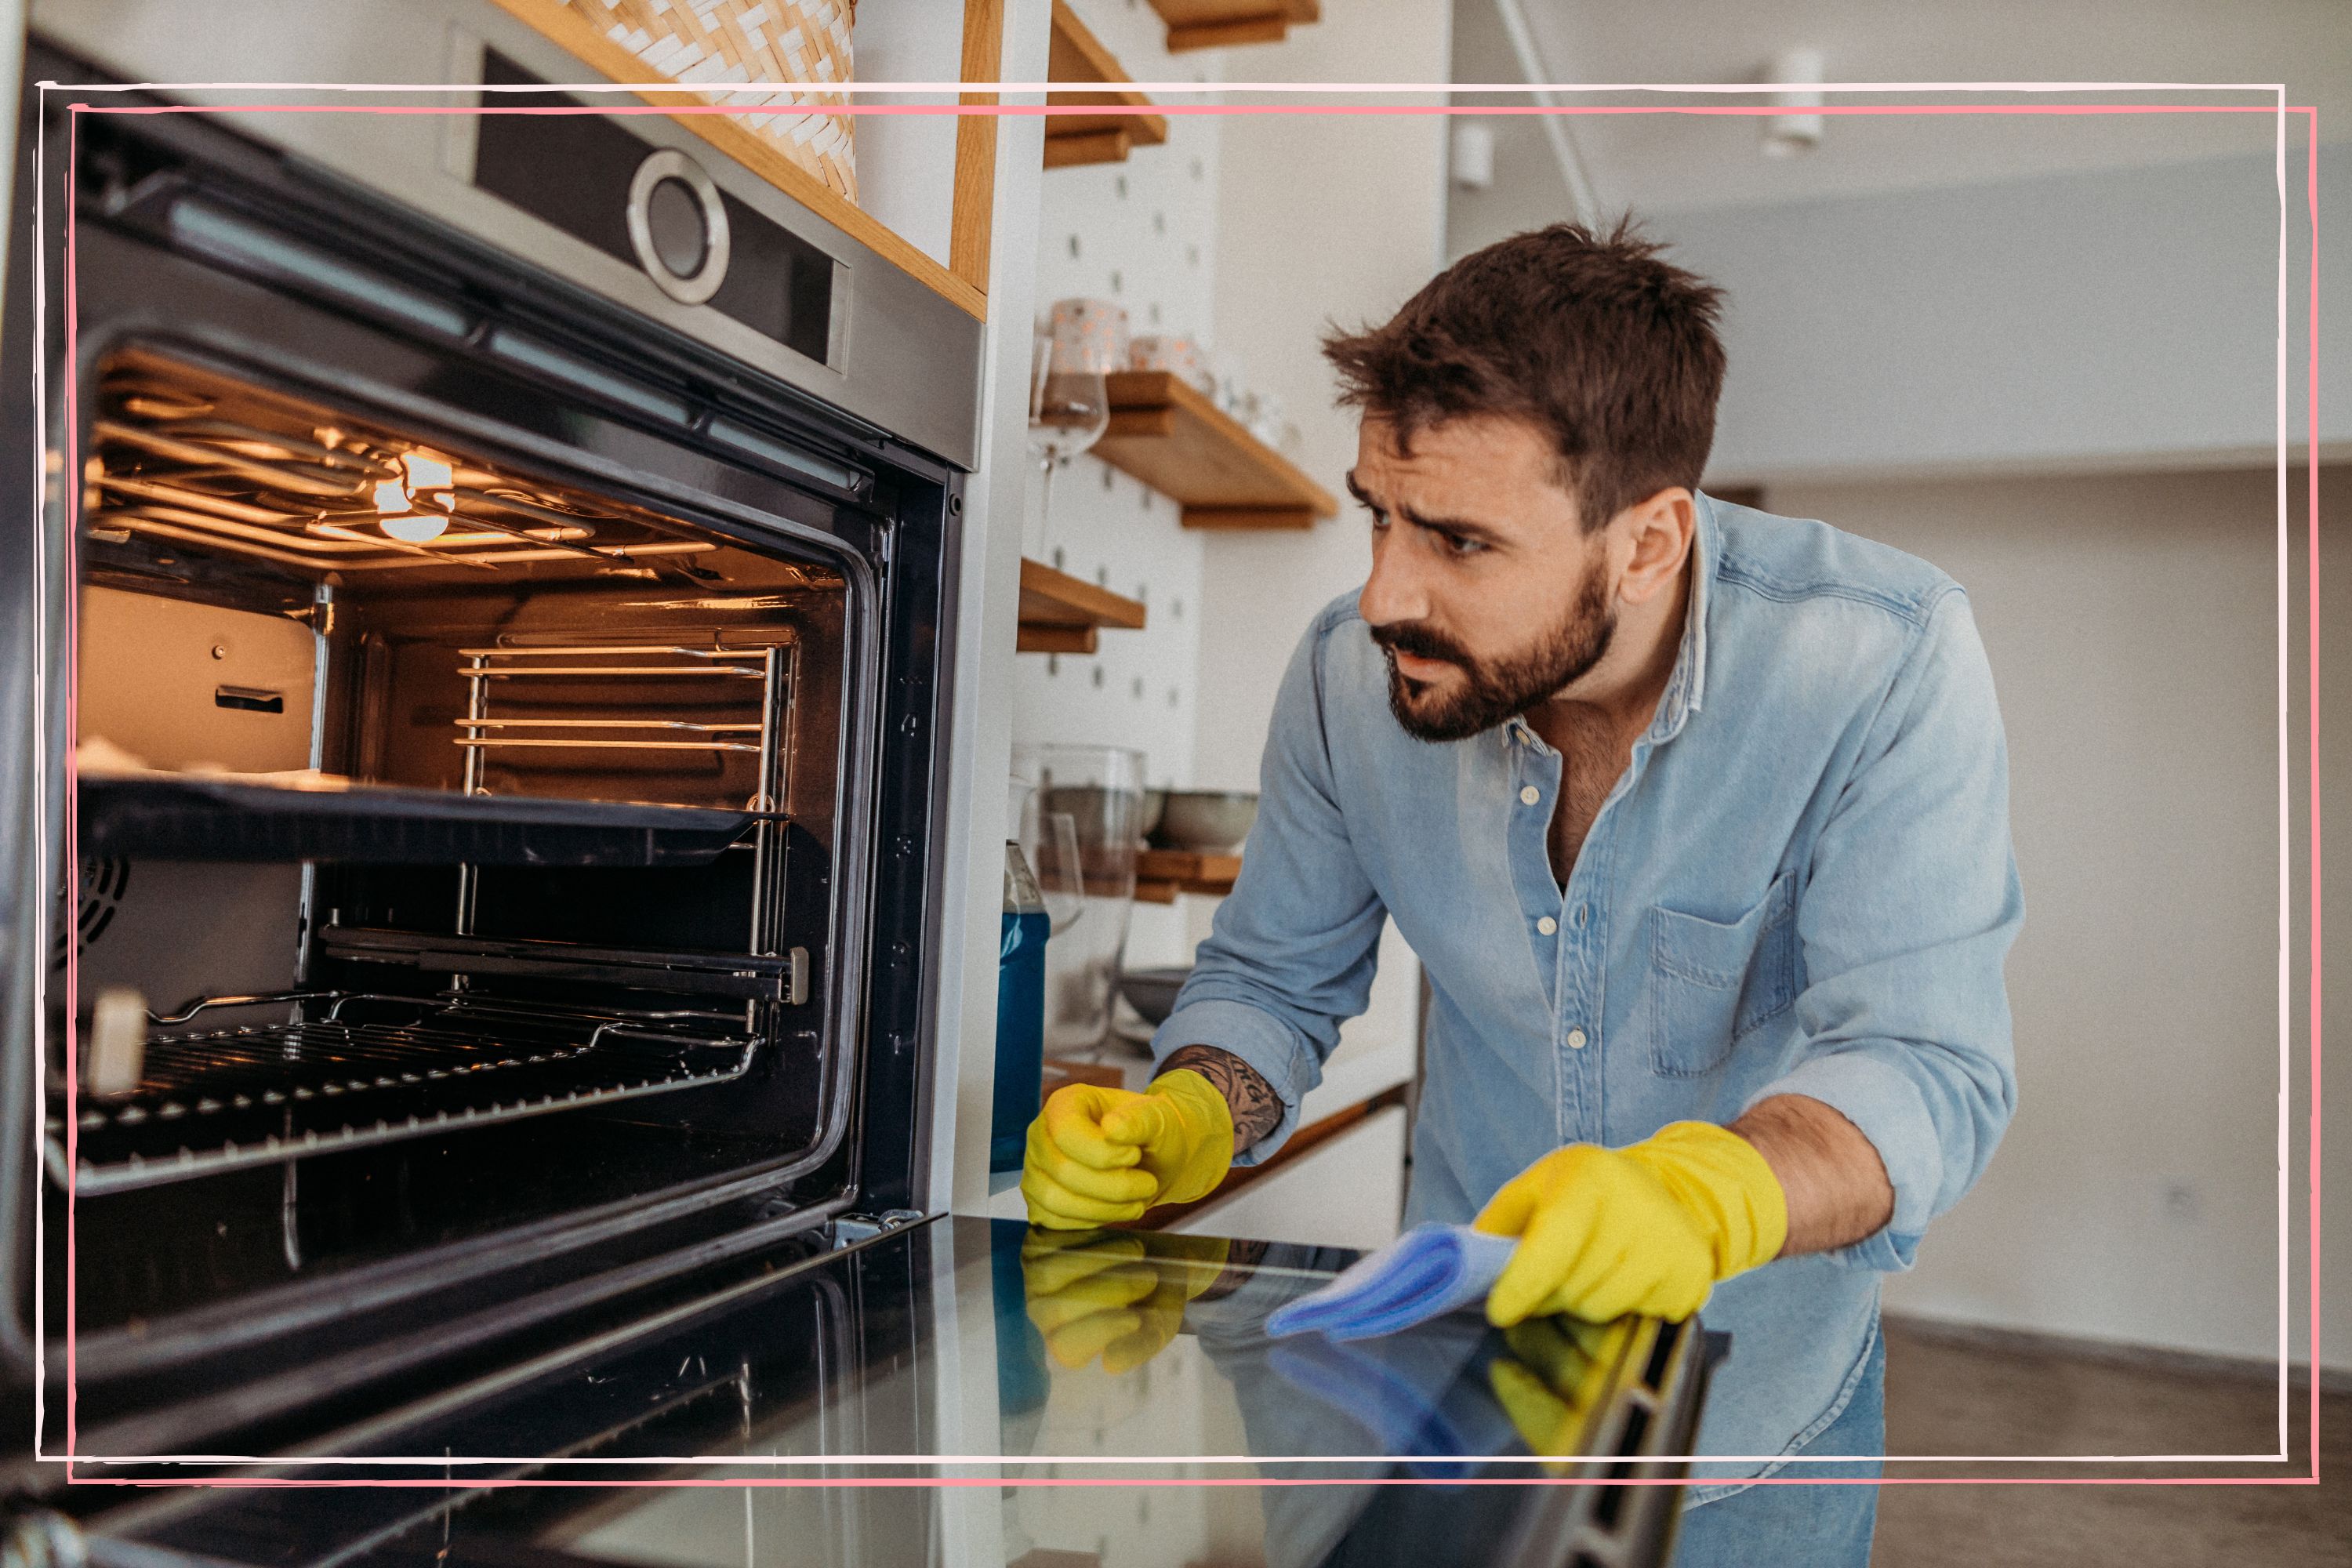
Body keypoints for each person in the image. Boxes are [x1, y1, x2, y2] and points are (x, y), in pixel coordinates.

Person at [1018, 219, 2023, 1566]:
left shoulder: (1881, 662)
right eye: (1378, 513)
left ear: (1650, 541)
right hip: (1452, 1395)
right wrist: (1196, 1107)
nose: (1384, 593)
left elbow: (1924, 1060)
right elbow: (1270, 983)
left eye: (1461, 541)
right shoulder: (1343, 683)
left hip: (1752, 1414)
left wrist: (1709, 1193)